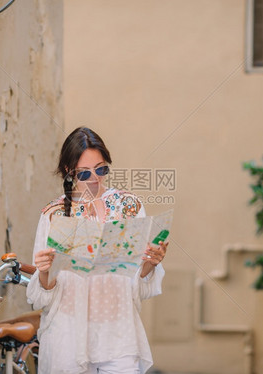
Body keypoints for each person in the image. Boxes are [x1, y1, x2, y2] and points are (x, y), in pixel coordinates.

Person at [26, 127, 168, 374]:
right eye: (85, 173)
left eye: (101, 169)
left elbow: (138, 282)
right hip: (68, 337)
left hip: (119, 335)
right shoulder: (54, 214)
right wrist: (44, 272)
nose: (95, 178)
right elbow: (42, 294)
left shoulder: (129, 207)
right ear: (69, 172)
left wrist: (150, 263)